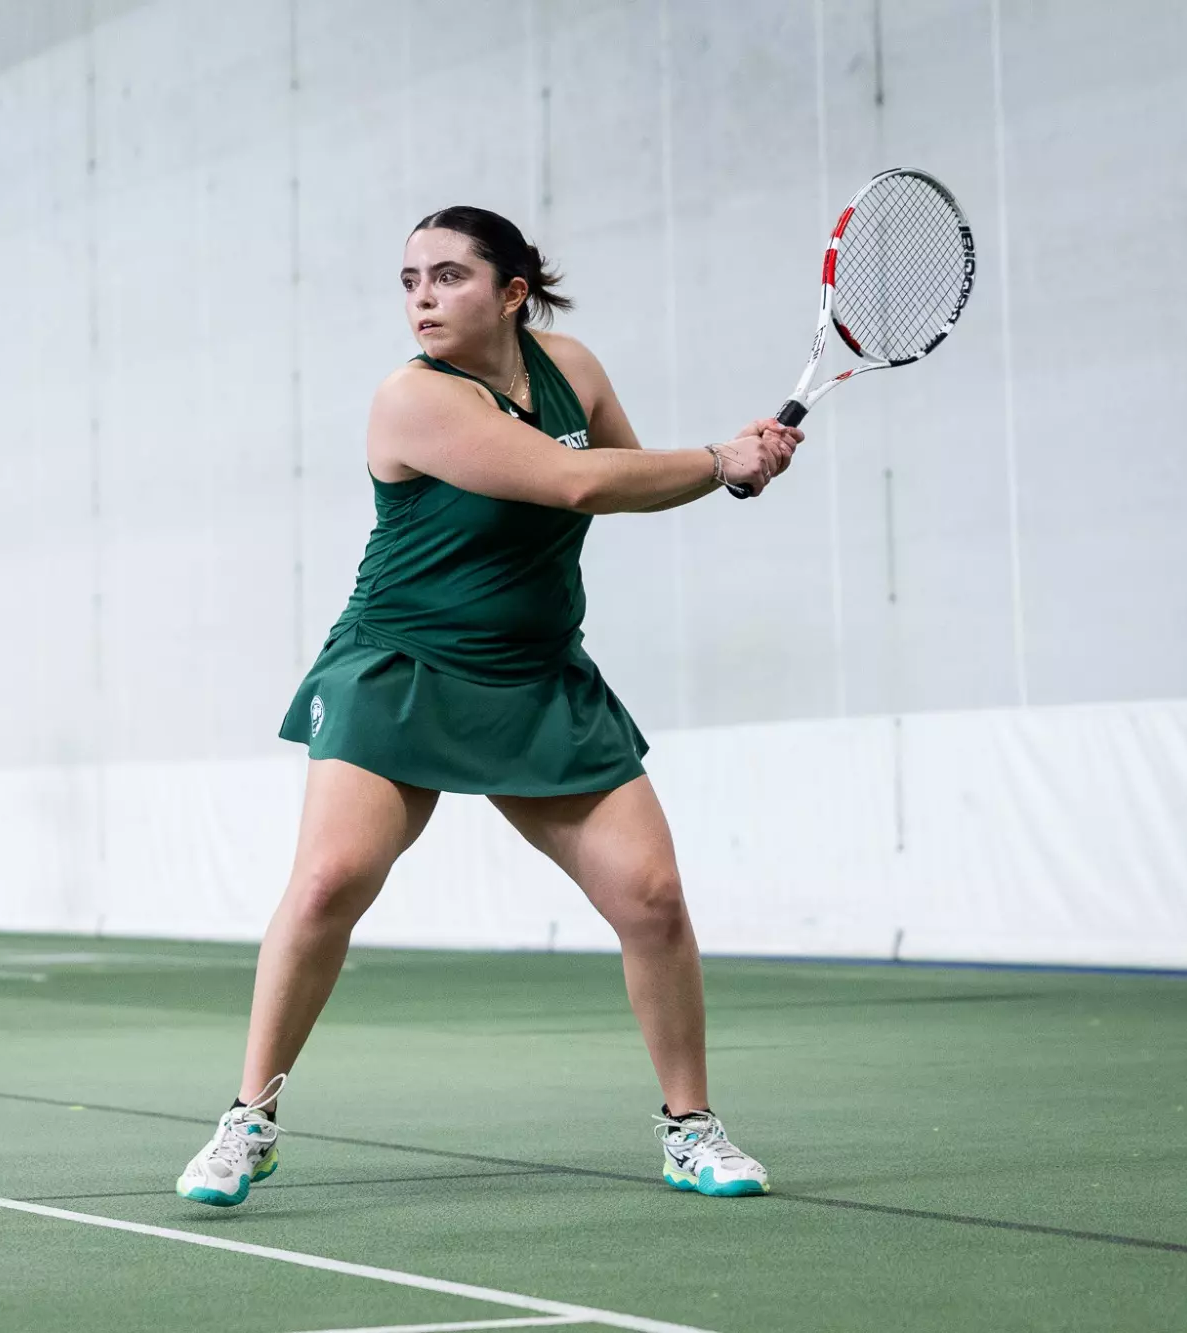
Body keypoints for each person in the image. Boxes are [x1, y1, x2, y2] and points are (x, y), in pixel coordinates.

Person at [174, 206, 801, 1208]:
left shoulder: (571, 368)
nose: (421, 296)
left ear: (511, 291)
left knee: (651, 900)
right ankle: (248, 1118)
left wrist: (729, 472)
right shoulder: (410, 399)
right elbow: (565, 480)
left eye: (448, 276)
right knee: (331, 879)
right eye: (409, 278)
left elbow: (626, 480)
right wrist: (712, 458)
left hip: (536, 673)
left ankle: (691, 1128)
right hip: (399, 665)